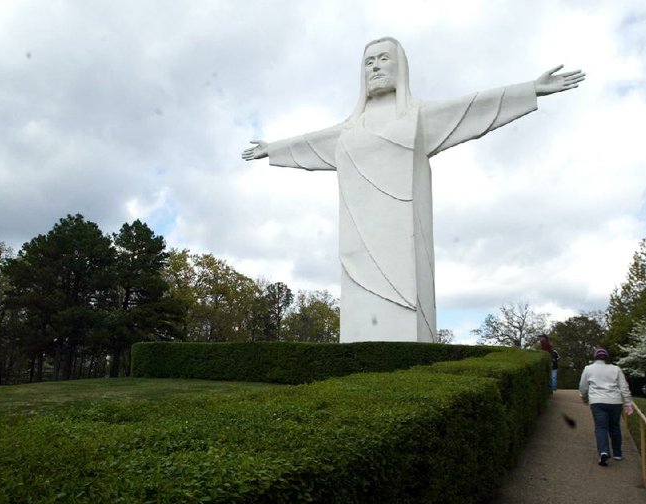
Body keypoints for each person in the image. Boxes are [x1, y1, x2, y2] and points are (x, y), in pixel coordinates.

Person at [243, 37, 585, 343]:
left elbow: (472, 107)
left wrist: (529, 90)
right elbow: (311, 143)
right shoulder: (350, 127)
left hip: (403, 240)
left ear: (400, 67)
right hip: (358, 242)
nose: (375, 67)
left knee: (406, 304)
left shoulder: (418, 116)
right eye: (368, 62)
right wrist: (271, 149)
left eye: (383, 59)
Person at [579, 347, 634, 466]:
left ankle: (603, 451)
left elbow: (583, 387)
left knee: (601, 428)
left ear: (595, 357)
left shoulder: (588, 369)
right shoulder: (616, 369)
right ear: (606, 358)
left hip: (597, 402)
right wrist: (628, 403)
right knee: (615, 427)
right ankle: (618, 454)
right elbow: (624, 387)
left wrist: (585, 398)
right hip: (615, 402)